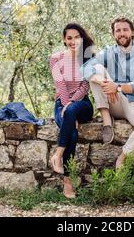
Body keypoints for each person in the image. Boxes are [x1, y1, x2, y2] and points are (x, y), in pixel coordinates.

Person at [81, 16, 134, 169]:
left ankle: (122, 159)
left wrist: (118, 87)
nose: (121, 33)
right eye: (118, 30)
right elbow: (85, 68)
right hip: (113, 101)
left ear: (132, 32)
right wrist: (103, 82)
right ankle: (106, 119)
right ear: (114, 34)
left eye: (125, 30)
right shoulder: (108, 52)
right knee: (97, 70)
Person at [49, 23, 95, 198]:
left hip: (82, 105)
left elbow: (85, 86)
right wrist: (67, 107)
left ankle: (58, 154)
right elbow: (60, 85)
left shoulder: (88, 58)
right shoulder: (55, 58)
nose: (73, 41)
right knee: (72, 135)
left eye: (76, 37)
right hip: (61, 103)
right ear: (64, 39)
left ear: (82, 38)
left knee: (71, 110)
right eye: (69, 38)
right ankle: (67, 183)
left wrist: (71, 106)